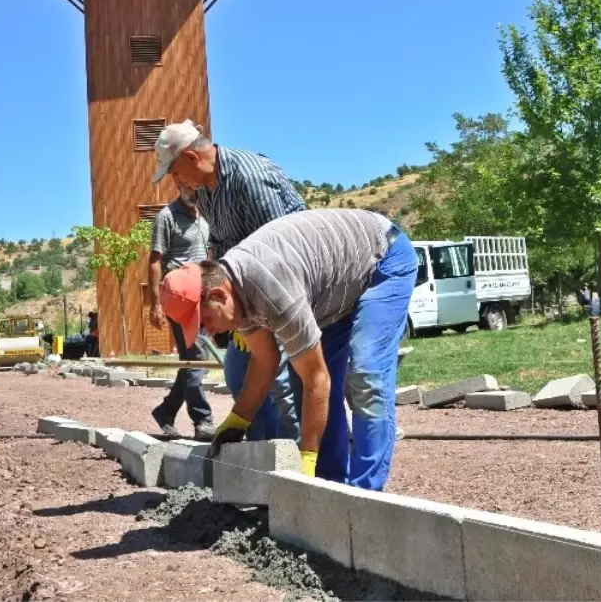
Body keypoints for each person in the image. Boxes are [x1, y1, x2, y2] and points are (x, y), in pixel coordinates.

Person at [159, 209, 417, 490]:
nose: (208, 331)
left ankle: (367, 493)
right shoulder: (236, 292)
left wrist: (305, 458)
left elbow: (317, 380)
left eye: (206, 321)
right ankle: (328, 487)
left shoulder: (269, 286)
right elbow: (265, 359)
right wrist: (238, 418)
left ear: (219, 295)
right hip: (334, 290)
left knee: (367, 375)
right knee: (301, 380)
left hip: (381, 261)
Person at [152, 119, 304, 442]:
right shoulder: (205, 192)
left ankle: (297, 461)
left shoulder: (250, 179)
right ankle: (264, 455)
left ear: (192, 159)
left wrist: (258, 317)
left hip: (284, 292)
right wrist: (225, 313)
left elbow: (285, 249)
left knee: (281, 383)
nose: (176, 181)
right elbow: (220, 244)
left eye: (175, 172)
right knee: (237, 374)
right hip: (243, 293)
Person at [147, 183, 215, 441]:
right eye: (187, 185)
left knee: (192, 357)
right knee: (197, 356)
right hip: (179, 298)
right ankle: (203, 419)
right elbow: (154, 260)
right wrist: (154, 304)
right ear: (177, 184)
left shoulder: (205, 214)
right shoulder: (166, 216)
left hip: (202, 296)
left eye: (197, 185)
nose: (193, 190)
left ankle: (166, 411)